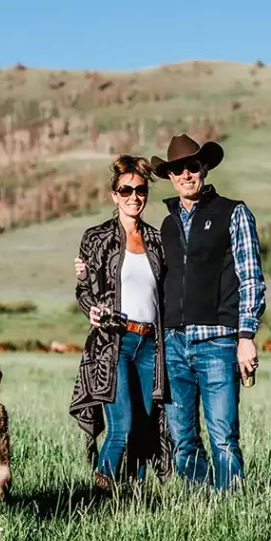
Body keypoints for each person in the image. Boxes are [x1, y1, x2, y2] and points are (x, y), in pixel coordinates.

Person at [151, 133, 266, 491]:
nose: (186, 174)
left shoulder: (234, 212)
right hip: (173, 344)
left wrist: (246, 337)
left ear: (204, 168)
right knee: (183, 442)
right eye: (177, 169)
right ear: (169, 176)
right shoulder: (166, 226)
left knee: (223, 438)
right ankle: (201, 511)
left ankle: (231, 511)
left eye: (192, 166)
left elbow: (251, 277)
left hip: (217, 342)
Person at [69, 154, 173, 494]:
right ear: (114, 195)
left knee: (143, 430)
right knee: (121, 427)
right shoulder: (97, 238)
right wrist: (91, 310)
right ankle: (99, 497)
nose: (133, 197)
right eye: (125, 190)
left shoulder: (158, 241)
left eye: (140, 190)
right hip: (115, 342)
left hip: (150, 345)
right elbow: (83, 289)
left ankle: (134, 498)